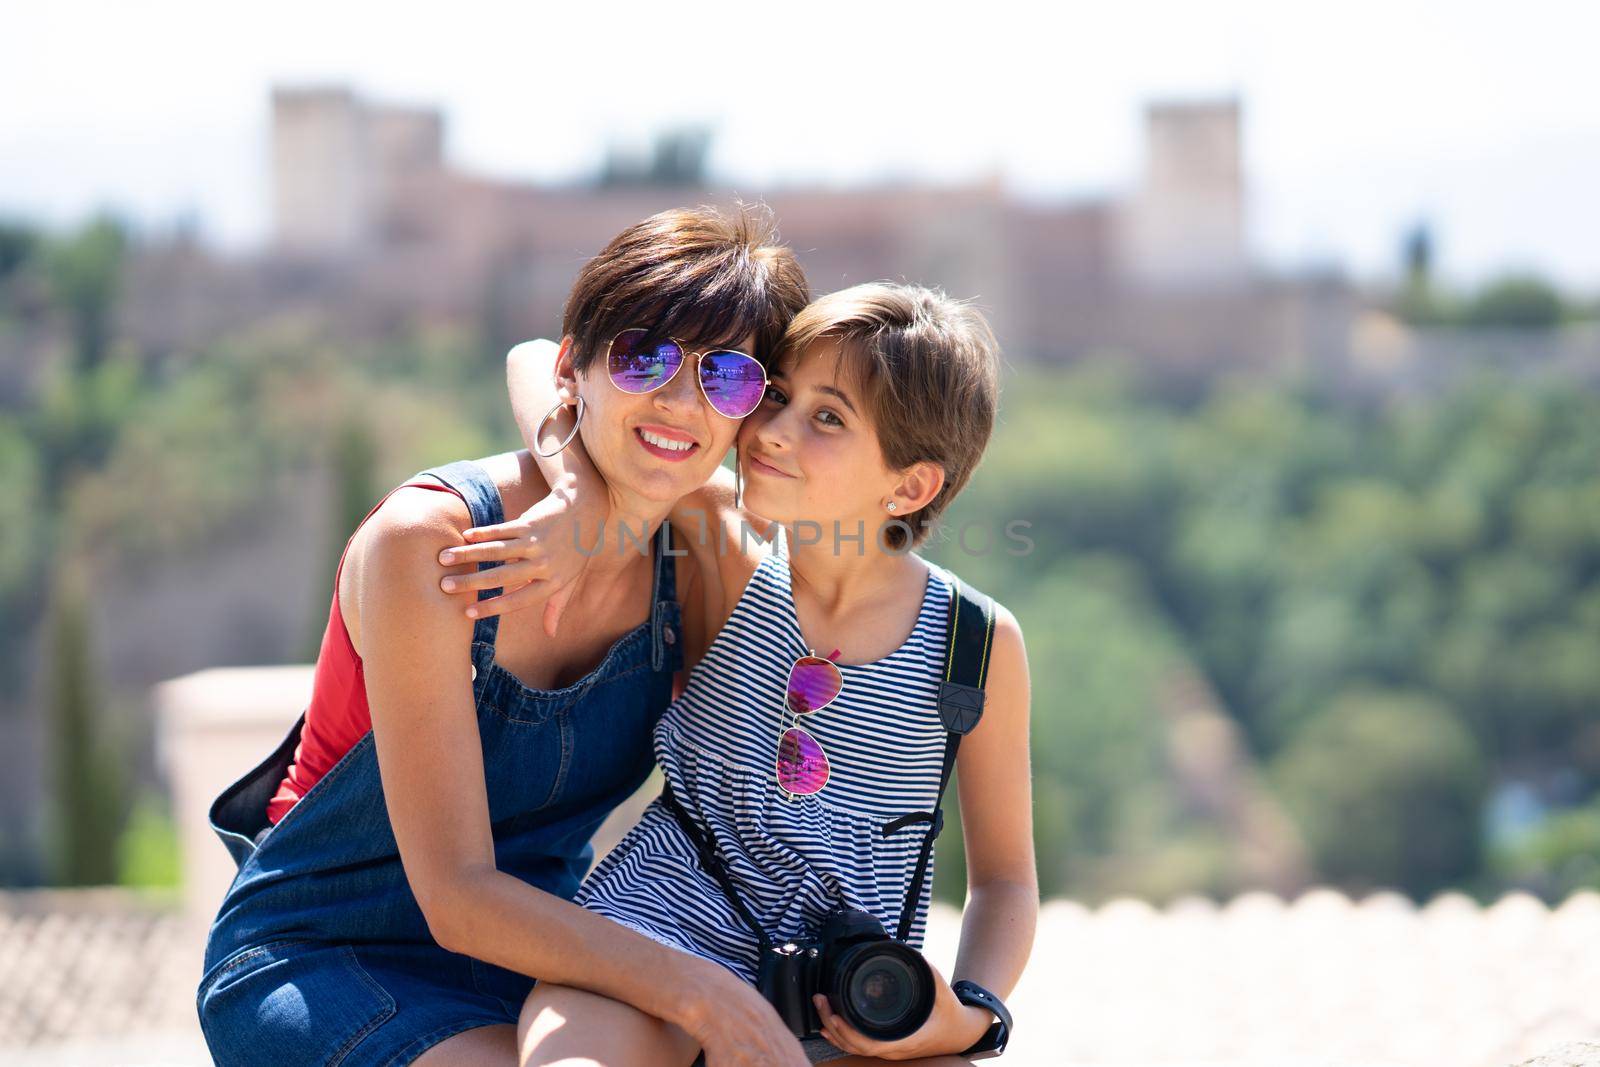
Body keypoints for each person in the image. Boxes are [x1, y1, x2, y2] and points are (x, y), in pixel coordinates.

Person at [195, 206, 814, 1067]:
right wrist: (695, 988)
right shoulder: (433, 541)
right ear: (579, 368)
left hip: (553, 964)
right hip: (327, 956)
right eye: (646, 357)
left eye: (730, 379)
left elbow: (772, 794)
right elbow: (455, 893)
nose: (682, 400)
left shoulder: (703, 550)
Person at [449, 284, 1037, 1065]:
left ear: (912, 485)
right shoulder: (721, 543)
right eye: (780, 395)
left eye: (827, 418)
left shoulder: (974, 643)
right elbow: (535, 361)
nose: (771, 432)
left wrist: (970, 1012)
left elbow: (1004, 879)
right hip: (653, 939)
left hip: (844, 997)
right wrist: (574, 493)